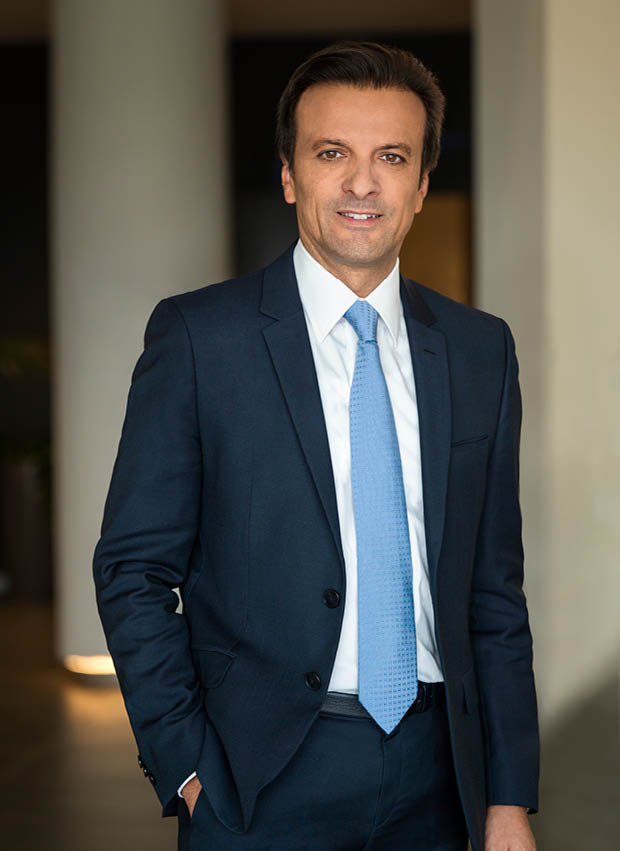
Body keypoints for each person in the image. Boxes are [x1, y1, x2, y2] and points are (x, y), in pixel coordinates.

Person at [93, 41, 539, 851]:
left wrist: (507, 795)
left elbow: (495, 594)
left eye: (391, 157)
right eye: (332, 153)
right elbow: (134, 570)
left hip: (442, 776)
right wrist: (188, 765)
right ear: (290, 175)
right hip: (257, 779)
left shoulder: (480, 350)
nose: (362, 183)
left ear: (421, 185)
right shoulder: (201, 339)